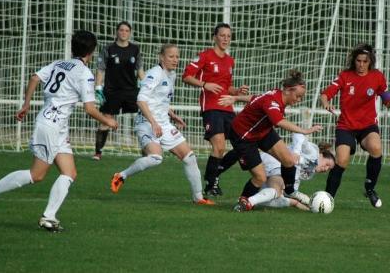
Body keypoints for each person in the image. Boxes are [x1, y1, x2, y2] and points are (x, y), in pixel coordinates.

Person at [0, 30, 118, 232]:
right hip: (51, 126)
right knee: (36, 175)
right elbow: (90, 109)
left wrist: (26, 104)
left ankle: (49, 217)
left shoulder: (59, 63)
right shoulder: (84, 74)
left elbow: (34, 78)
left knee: (69, 172)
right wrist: (108, 121)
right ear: (91, 51)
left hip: (56, 126)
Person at [110, 44, 214, 205]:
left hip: (163, 123)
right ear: (161, 57)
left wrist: (172, 115)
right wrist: (153, 123)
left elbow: (159, 101)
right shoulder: (154, 74)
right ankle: (121, 175)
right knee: (156, 158)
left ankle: (198, 198)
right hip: (146, 123)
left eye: (177, 57)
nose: (175, 60)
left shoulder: (171, 74)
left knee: (189, 157)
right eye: (171, 56)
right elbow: (141, 100)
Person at [218, 70, 322, 210]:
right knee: (260, 177)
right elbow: (279, 121)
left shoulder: (275, 93)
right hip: (244, 136)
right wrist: (305, 130)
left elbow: (255, 98)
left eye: (301, 97)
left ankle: (290, 191)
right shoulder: (273, 101)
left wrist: (236, 98)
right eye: (298, 96)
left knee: (289, 160)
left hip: (262, 131)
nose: (299, 100)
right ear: (288, 90)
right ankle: (243, 200)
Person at [182, 23, 248, 196]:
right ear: (215, 37)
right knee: (219, 147)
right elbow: (186, 76)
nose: (226, 39)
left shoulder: (230, 60)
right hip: (211, 108)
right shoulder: (205, 56)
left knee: (242, 145)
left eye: (229, 36)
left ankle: (215, 173)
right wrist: (205, 84)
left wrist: (236, 91)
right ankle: (211, 184)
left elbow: (226, 87)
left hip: (228, 108)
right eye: (222, 35)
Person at [320, 43, 387, 208]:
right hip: (346, 126)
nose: (362, 65)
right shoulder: (344, 76)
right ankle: (328, 197)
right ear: (354, 61)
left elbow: (385, 95)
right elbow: (326, 93)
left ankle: (370, 189)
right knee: (342, 160)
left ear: (370, 61)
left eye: (365, 61)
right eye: (358, 61)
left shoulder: (377, 76)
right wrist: (326, 102)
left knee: (376, 148)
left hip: (367, 126)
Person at [234, 134, 335, 212]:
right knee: (277, 190)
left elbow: (290, 188)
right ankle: (247, 203)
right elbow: (298, 134)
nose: (326, 169)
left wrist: (302, 202)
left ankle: (247, 200)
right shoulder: (313, 153)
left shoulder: (309, 172)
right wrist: (296, 151)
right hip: (275, 160)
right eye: (327, 164)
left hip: (277, 166)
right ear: (321, 155)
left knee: (275, 196)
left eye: (329, 169)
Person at [93, 21, 145, 161]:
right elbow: (101, 69)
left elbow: (140, 70)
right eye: (121, 30)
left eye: (127, 30)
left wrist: (146, 86)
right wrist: (98, 87)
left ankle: (146, 150)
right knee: (106, 120)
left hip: (131, 90)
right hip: (112, 91)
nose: (124, 33)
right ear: (117, 32)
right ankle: (98, 153)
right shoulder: (108, 48)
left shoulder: (135, 49)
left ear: (130, 33)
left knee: (142, 118)